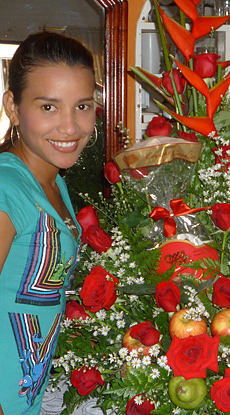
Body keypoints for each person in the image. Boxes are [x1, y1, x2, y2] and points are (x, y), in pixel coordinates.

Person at [0, 32, 96, 415]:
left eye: (83, 106)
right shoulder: (7, 188)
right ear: (13, 106)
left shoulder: (53, 180)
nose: (71, 128)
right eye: (49, 107)